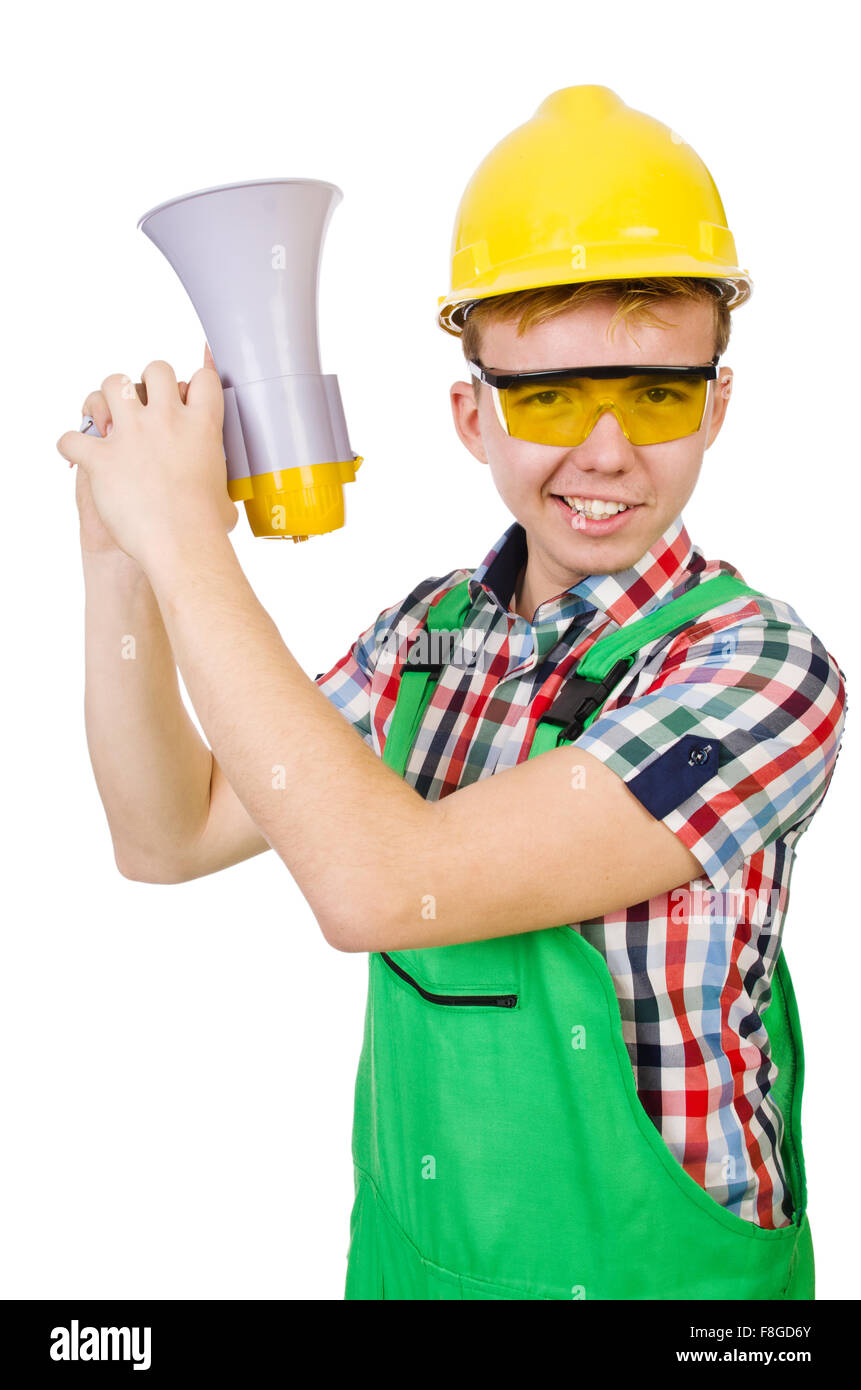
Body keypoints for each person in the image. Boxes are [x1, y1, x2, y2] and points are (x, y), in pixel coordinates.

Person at [58, 85, 846, 1300]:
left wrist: (191, 550)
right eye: (546, 396)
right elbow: (166, 835)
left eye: (657, 394)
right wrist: (123, 557)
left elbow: (384, 884)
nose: (606, 451)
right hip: (414, 1274)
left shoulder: (757, 674)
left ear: (717, 408)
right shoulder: (423, 639)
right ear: (470, 415)